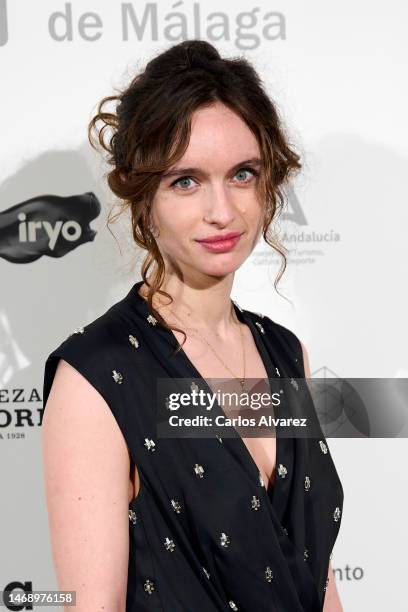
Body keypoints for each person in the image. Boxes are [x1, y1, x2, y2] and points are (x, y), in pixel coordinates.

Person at [42, 39, 344, 612]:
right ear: (142, 194)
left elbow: (314, 572)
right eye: (186, 181)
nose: (222, 211)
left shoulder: (284, 353)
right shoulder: (100, 376)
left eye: (242, 174)